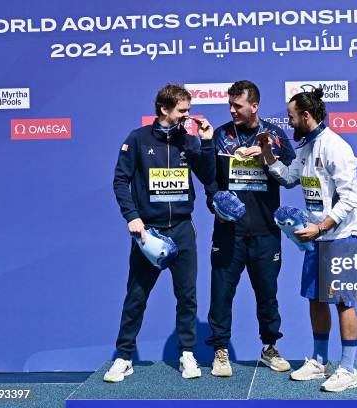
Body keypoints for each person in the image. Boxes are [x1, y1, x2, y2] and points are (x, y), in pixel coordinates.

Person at [105, 84, 215, 382]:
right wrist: (132, 216)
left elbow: (207, 176)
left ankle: (188, 355)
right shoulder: (138, 140)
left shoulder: (189, 140)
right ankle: (124, 356)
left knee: (187, 297)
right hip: (148, 234)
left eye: (188, 110)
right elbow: (120, 180)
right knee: (136, 296)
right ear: (164, 109)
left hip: (182, 229)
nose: (187, 116)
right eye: (182, 111)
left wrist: (205, 143)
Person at [261, 88, 357, 392]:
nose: (289, 124)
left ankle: (348, 368)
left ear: (306, 115)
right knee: (316, 298)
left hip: (341, 236)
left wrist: (321, 229)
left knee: (343, 301)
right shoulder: (306, 148)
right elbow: (288, 177)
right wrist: (267, 154)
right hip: (316, 237)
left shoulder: (336, 147)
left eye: (292, 118)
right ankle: (320, 361)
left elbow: (350, 200)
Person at [205, 80, 296, 377]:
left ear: (254, 106)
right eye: (230, 105)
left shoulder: (275, 136)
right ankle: (220, 350)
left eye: (238, 106)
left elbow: (290, 176)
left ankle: (270, 347)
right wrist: (214, 203)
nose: (232, 110)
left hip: (265, 232)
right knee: (221, 292)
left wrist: (267, 156)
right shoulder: (220, 137)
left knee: (267, 293)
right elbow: (211, 181)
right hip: (229, 232)